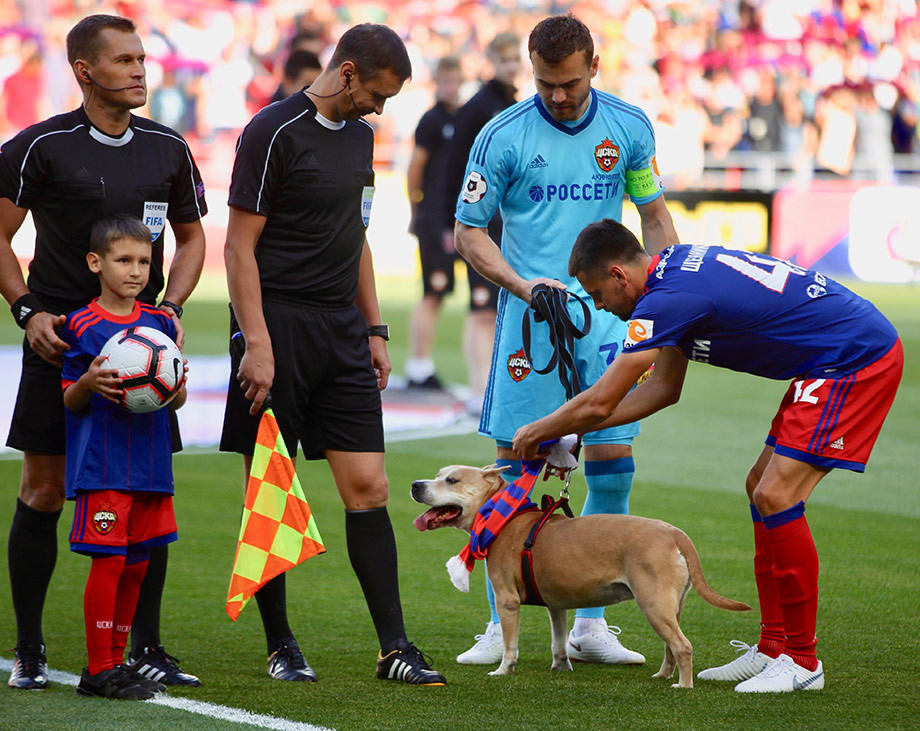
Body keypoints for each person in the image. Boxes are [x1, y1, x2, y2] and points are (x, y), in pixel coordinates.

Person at [513, 218, 903, 693]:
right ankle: (774, 646)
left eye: (597, 294)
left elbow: (601, 400)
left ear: (619, 275)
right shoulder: (670, 274)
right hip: (828, 358)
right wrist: (572, 436)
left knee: (777, 495)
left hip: (852, 358)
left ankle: (802, 660)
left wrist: (540, 430)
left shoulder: (664, 301)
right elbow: (662, 389)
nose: (600, 306)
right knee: (758, 488)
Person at [221, 22, 446, 686]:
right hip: (278, 327)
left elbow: (359, 237)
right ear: (347, 73)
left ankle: (395, 647)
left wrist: (374, 330)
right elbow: (238, 248)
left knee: (369, 486)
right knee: (271, 490)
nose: (379, 108)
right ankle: (280, 643)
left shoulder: (363, 137)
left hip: (343, 333)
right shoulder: (272, 132)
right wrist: (256, 342)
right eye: (375, 93)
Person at [453, 14, 679, 666]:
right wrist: (526, 288)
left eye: (571, 82)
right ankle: (504, 619)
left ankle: (590, 623)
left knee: (611, 460)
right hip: (532, 319)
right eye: (547, 82)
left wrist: (666, 302)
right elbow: (470, 232)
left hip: (609, 320)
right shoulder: (502, 137)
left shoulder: (628, 128)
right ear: (532, 70)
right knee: (515, 465)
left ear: (595, 67)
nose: (559, 94)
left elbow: (654, 215)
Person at [0, 14, 206, 690]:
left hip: (144, 358)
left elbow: (193, 237)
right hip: (62, 346)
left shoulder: (168, 148)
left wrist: (168, 311)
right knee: (45, 489)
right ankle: (29, 646)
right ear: (85, 71)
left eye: (141, 58)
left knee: (148, 493)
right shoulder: (39, 146)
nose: (140, 70)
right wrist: (27, 310)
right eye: (123, 61)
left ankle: (143, 645)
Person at [61, 215, 188, 700]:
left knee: (137, 562)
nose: (135, 271)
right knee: (110, 561)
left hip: (152, 464)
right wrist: (91, 383)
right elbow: (70, 397)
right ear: (96, 262)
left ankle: (118, 661)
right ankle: (98, 669)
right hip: (105, 463)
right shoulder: (82, 324)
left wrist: (174, 383)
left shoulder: (159, 324)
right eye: (124, 260)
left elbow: (174, 399)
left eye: (144, 262)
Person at [438, 32, 522, 414]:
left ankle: (488, 386)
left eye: (514, 59)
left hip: (505, 226)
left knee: (496, 308)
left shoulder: (512, 103)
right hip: (479, 225)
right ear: (490, 59)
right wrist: (446, 222)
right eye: (503, 59)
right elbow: (453, 169)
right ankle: (478, 389)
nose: (510, 66)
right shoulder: (477, 108)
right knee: (482, 308)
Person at [405, 55, 464, 390]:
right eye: (445, 81)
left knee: (440, 294)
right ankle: (417, 366)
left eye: (455, 80)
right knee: (433, 292)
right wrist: (418, 209)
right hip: (434, 219)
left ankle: (421, 364)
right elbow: (416, 167)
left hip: (452, 219)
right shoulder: (431, 120)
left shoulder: (463, 118)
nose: (451, 87)